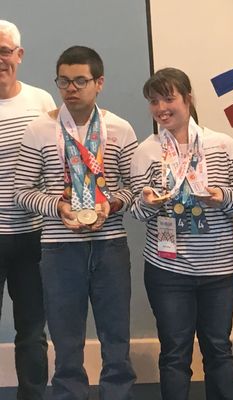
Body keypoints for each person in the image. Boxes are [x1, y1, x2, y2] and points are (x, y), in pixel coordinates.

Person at [13, 46, 137, 400]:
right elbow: (22, 191)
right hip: (58, 247)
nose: (71, 88)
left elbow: (134, 187)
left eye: (80, 80)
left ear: (99, 83)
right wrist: (56, 207)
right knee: (66, 344)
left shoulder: (119, 128)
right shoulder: (39, 130)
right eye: (64, 81)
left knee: (116, 340)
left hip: (110, 245)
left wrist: (111, 205)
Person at [130, 67, 233, 400]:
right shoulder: (146, 151)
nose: (162, 108)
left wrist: (221, 197)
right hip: (168, 270)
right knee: (175, 353)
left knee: (219, 350)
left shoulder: (222, 145)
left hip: (219, 270)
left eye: (169, 98)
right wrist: (148, 204)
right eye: (154, 101)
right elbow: (136, 210)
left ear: (188, 99)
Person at [0, 19, 55, 400]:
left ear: (19, 55)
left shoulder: (42, 103)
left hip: (34, 235)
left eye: (4, 51)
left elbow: (56, 165)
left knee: (33, 332)